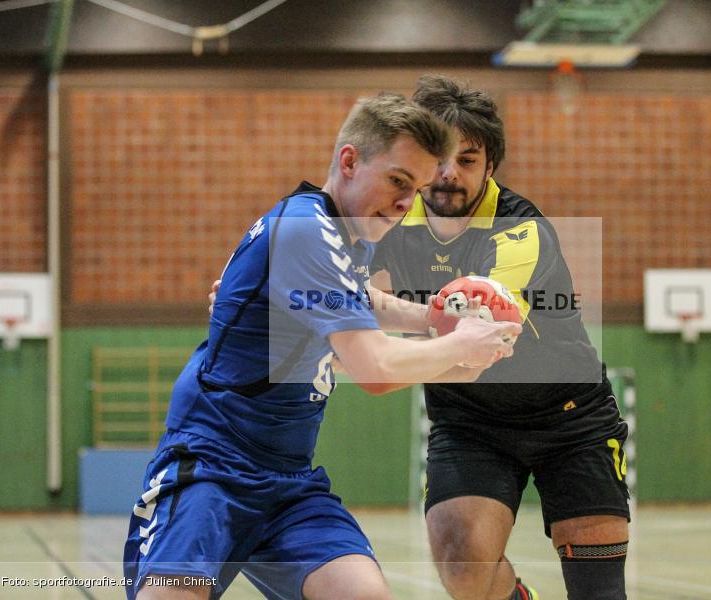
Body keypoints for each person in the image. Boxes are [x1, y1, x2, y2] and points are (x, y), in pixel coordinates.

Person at [209, 77, 631, 600]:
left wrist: (350, 351)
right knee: (463, 569)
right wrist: (267, 294)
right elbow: (337, 279)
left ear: (490, 167)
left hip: (568, 417)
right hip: (469, 421)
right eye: (441, 161)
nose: (449, 174)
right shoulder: (391, 214)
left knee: (598, 591)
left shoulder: (520, 231)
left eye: (468, 160)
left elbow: (479, 340)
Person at [124, 92, 521, 600]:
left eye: (417, 190)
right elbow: (375, 368)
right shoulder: (307, 230)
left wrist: (436, 323)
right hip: (213, 466)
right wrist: (460, 343)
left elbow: (362, 297)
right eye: (398, 181)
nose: (407, 204)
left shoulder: (351, 231)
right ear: (349, 161)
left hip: (288, 481)